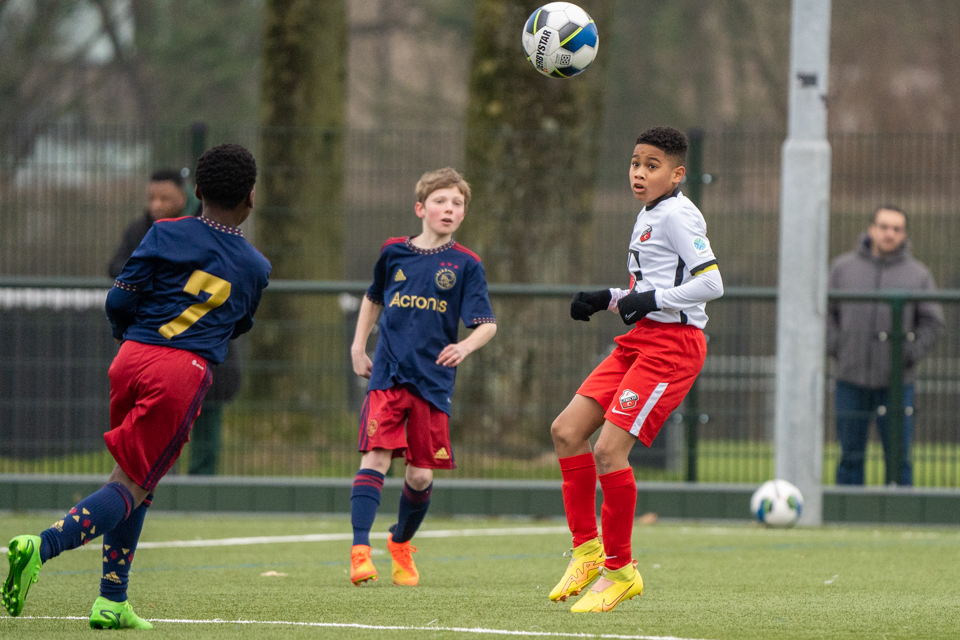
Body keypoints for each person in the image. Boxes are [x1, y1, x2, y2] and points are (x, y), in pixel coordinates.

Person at [3, 144, 271, 628]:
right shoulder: (255, 266)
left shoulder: (163, 233)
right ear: (251, 198)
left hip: (130, 359)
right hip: (180, 373)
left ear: (196, 192)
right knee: (133, 482)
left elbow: (119, 299)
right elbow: (239, 324)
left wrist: (129, 337)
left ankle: (112, 600)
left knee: (132, 479)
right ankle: (39, 546)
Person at [549, 127, 723, 613]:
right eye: (634, 164)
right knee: (566, 432)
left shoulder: (680, 214)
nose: (639, 174)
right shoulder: (649, 215)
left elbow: (712, 284)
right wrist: (607, 298)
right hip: (639, 340)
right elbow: (649, 289)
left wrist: (652, 299)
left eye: (651, 166)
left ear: (676, 173)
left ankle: (620, 570)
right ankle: (587, 551)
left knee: (609, 451)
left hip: (673, 348)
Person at [348, 167, 497, 587]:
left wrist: (465, 346)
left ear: (463, 214)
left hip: (433, 383)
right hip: (388, 373)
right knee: (375, 456)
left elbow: (486, 323)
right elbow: (373, 298)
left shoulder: (466, 264)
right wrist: (360, 347)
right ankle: (360, 550)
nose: (449, 209)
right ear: (421, 208)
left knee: (419, 475)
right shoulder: (393, 251)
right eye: (441, 201)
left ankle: (400, 542)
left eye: (457, 204)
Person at [108, 167, 241, 476]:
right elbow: (116, 268)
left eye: (164, 198)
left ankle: (203, 480)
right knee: (156, 422)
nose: (156, 204)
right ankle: (155, 478)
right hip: (154, 343)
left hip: (203, 343)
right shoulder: (140, 231)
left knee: (206, 411)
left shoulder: (207, 229)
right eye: (151, 198)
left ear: (185, 197)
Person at [827, 206, 944, 486]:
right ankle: (848, 516)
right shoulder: (843, 269)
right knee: (850, 455)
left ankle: (901, 514)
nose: (889, 233)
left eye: (897, 229)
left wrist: (908, 353)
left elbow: (933, 322)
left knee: (898, 456)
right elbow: (825, 313)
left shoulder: (918, 275)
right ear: (871, 229)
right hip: (850, 377)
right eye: (884, 226)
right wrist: (838, 346)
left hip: (896, 382)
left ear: (904, 234)